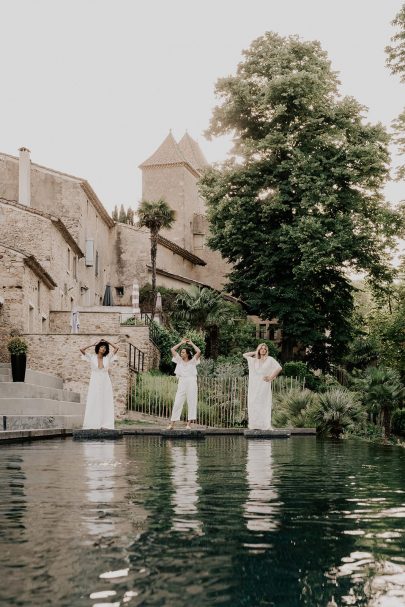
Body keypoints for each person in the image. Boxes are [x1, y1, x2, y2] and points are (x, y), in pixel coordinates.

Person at [80, 339, 119, 429]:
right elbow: (81, 350)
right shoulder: (92, 357)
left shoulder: (107, 358)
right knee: (94, 400)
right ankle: (93, 423)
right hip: (95, 381)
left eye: (105, 348)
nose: (103, 349)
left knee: (105, 401)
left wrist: (108, 341)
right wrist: (92, 344)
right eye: (102, 347)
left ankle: (105, 424)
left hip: (105, 381)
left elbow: (116, 348)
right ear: (98, 348)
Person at [243, 343, 282, 430]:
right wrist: (255, 352)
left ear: (267, 351)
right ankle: (255, 425)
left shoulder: (270, 359)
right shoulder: (254, 360)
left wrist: (271, 377)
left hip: (264, 384)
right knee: (254, 403)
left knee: (264, 403)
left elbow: (279, 368)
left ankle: (266, 425)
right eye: (261, 348)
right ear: (259, 350)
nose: (263, 350)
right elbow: (244, 355)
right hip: (254, 385)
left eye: (265, 349)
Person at [167, 338, 201, 430]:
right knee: (177, 402)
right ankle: (172, 424)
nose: (181, 353)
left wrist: (192, 343)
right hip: (182, 382)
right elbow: (172, 349)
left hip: (191, 382)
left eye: (183, 352)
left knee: (192, 402)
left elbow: (198, 351)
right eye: (181, 352)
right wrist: (181, 343)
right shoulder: (179, 360)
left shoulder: (193, 361)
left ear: (187, 354)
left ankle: (188, 424)